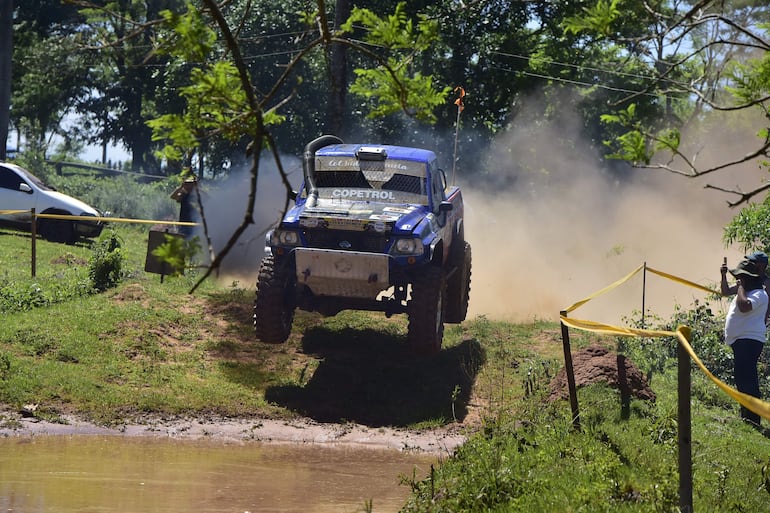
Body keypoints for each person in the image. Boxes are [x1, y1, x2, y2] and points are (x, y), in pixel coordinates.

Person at [722, 258, 768, 426]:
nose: (738, 280)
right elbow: (726, 291)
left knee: (748, 382)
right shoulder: (746, 291)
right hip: (741, 342)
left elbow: (744, 307)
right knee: (742, 380)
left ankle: (754, 419)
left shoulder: (759, 294)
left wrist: (740, 286)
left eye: (741, 277)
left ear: (748, 278)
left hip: (749, 342)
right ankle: (746, 417)